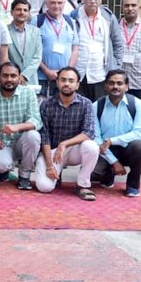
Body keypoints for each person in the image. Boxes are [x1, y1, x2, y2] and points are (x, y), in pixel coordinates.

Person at [35, 66, 100, 199]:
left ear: (77, 85)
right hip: (53, 153)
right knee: (44, 187)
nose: (67, 84)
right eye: (63, 80)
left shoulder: (86, 104)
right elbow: (44, 136)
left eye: (71, 81)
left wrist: (64, 144)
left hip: (75, 150)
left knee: (92, 146)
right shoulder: (46, 104)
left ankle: (83, 185)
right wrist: (49, 166)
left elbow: (88, 132)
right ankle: (55, 176)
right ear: (57, 82)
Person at [0, 62, 42, 190]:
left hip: (22, 141)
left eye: (13, 76)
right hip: (1, 143)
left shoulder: (28, 93)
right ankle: (3, 171)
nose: (9, 79)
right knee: (0, 164)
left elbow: (36, 121)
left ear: (19, 77)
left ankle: (24, 176)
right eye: (5, 76)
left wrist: (17, 127)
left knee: (34, 136)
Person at [91, 70, 141, 197]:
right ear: (105, 86)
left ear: (126, 86)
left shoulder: (137, 104)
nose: (115, 87)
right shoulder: (96, 106)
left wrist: (112, 140)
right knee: (93, 173)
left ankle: (133, 185)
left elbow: (139, 133)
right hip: (105, 150)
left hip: (128, 148)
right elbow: (96, 137)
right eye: (111, 83)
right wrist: (114, 162)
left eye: (119, 83)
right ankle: (108, 175)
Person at [70, 0, 125, 101]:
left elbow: (118, 44)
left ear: (101, 0)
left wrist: (116, 67)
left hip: (100, 74)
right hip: (78, 74)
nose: (93, 1)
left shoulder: (108, 17)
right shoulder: (73, 17)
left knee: (98, 111)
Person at [36, 0, 79, 97]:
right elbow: (31, 52)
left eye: (60, 3)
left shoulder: (70, 22)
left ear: (64, 4)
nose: (56, 6)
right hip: (43, 78)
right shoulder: (37, 21)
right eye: (53, 3)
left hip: (66, 80)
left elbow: (75, 49)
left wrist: (67, 72)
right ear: (46, 4)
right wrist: (46, 71)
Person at [7, 0, 42, 86]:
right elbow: (4, 56)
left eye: (25, 10)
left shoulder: (35, 31)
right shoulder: (5, 31)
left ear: (29, 13)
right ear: (12, 12)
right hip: (10, 79)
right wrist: (15, 75)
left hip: (30, 80)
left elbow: (37, 57)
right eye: (18, 9)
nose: (22, 12)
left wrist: (24, 75)